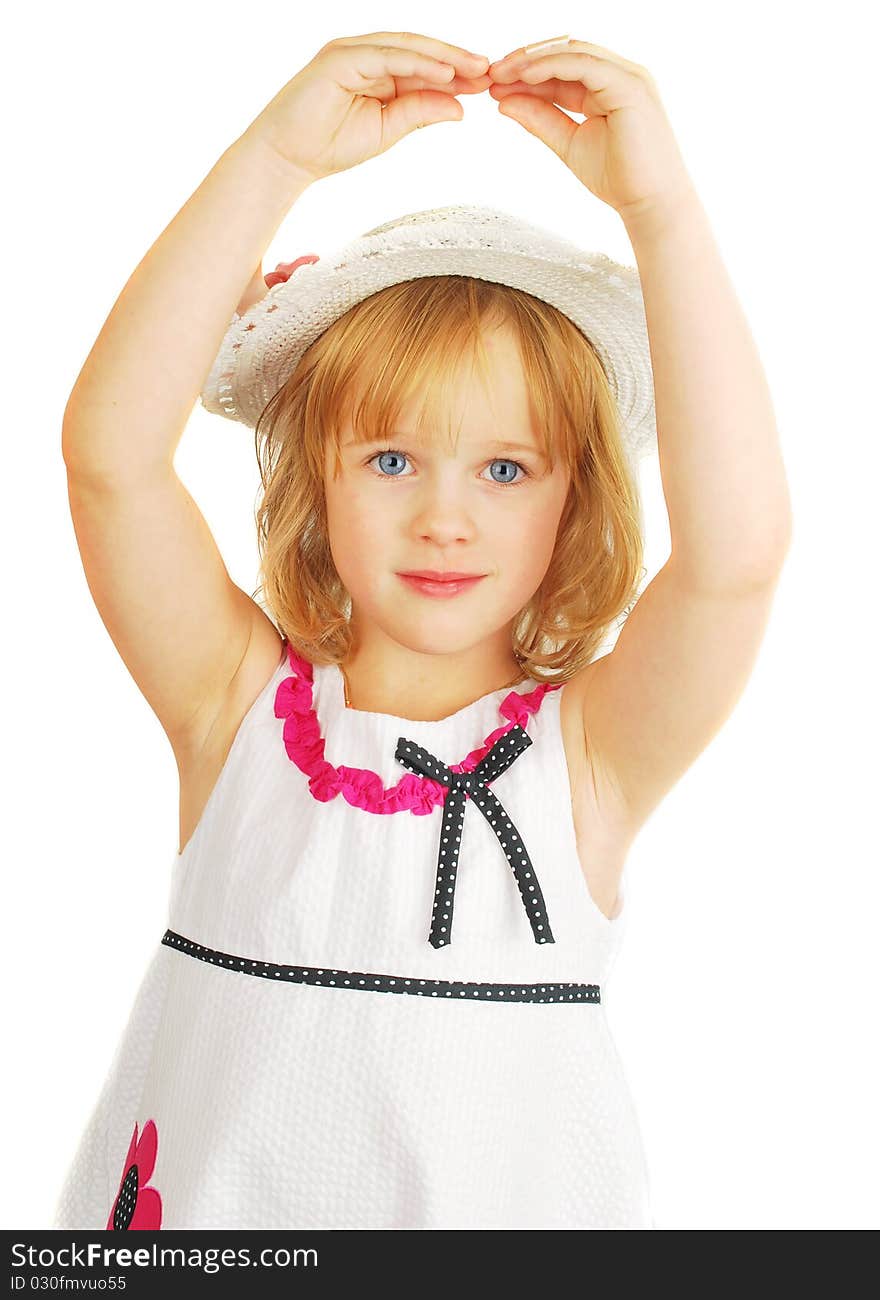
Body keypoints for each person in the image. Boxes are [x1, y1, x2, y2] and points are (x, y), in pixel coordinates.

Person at [54, 31, 792, 1230]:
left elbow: (736, 559)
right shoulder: (232, 707)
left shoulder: (586, 760)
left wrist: (658, 207)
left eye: (505, 467)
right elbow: (109, 458)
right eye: (390, 457)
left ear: (575, 499)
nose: (444, 518)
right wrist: (275, 155)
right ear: (318, 480)